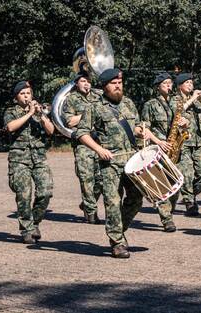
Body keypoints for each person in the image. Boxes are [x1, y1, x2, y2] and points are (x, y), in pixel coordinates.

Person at [73, 68, 152, 258]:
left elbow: (137, 125)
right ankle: (117, 241)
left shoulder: (128, 103)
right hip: (110, 164)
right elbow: (81, 133)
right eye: (113, 83)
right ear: (105, 86)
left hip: (132, 160)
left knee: (136, 199)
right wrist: (99, 149)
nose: (118, 86)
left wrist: (141, 131)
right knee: (113, 202)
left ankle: (117, 229)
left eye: (120, 83)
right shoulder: (95, 106)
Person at [4, 81, 55, 244]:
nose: (27, 96)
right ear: (16, 97)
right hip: (19, 158)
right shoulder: (11, 111)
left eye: (29, 93)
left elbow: (51, 131)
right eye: (23, 94)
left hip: (39, 156)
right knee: (24, 194)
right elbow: (10, 127)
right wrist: (29, 113)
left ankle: (34, 223)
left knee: (45, 192)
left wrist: (40, 116)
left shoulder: (38, 112)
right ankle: (26, 229)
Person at [168, 73, 201, 216]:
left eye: (191, 82)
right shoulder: (175, 100)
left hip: (198, 142)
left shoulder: (196, 101)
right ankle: (189, 202)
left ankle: (192, 194)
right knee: (187, 174)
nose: (191, 85)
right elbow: (177, 111)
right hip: (183, 143)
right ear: (179, 86)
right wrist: (193, 98)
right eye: (187, 82)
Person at [138, 73, 180, 231]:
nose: (169, 86)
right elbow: (144, 128)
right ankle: (166, 219)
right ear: (158, 87)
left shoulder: (177, 103)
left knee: (176, 185)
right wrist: (159, 142)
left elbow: (184, 121)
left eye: (170, 83)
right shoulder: (150, 105)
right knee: (162, 183)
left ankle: (170, 210)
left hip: (174, 146)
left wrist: (184, 123)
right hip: (159, 148)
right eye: (165, 84)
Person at [63, 73, 102, 224]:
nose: (86, 84)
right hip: (82, 144)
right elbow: (70, 121)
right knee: (86, 179)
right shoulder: (71, 99)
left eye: (89, 81)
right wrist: (90, 113)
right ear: (77, 83)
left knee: (101, 180)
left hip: (100, 142)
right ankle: (91, 212)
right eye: (83, 81)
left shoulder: (99, 96)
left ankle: (87, 203)